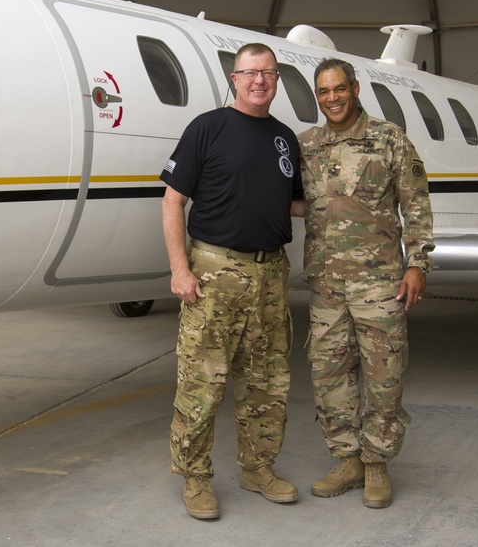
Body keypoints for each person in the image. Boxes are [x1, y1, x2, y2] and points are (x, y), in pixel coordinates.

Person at [160, 42, 304, 520]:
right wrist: (180, 270)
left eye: (267, 72)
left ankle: (258, 468)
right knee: (203, 383)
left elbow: (295, 202)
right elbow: (172, 201)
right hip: (215, 274)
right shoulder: (208, 127)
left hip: (270, 275)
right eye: (249, 73)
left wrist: (351, 197)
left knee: (267, 383)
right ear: (235, 78)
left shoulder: (285, 138)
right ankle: (196, 477)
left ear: (277, 78)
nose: (259, 80)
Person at [296, 58, 434, 509]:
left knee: (384, 376)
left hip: (379, 283)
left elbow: (415, 204)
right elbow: (292, 201)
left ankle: (376, 463)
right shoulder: (307, 145)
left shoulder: (388, 138)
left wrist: (418, 264)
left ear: (355, 88)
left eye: (339, 89)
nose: (331, 98)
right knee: (329, 376)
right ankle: (347, 458)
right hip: (326, 286)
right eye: (323, 92)